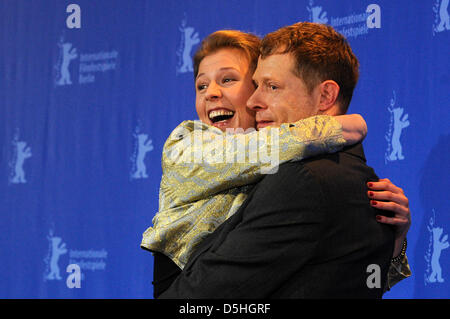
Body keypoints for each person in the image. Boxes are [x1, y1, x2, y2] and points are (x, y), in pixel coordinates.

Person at [143, 27, 411, 298]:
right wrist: (342, 126)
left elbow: (355, 281)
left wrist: (395, 242)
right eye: (201, 85)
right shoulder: (187, 143)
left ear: (326, 96)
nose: (255, 100)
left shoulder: (298, 178)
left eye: (270, 86)